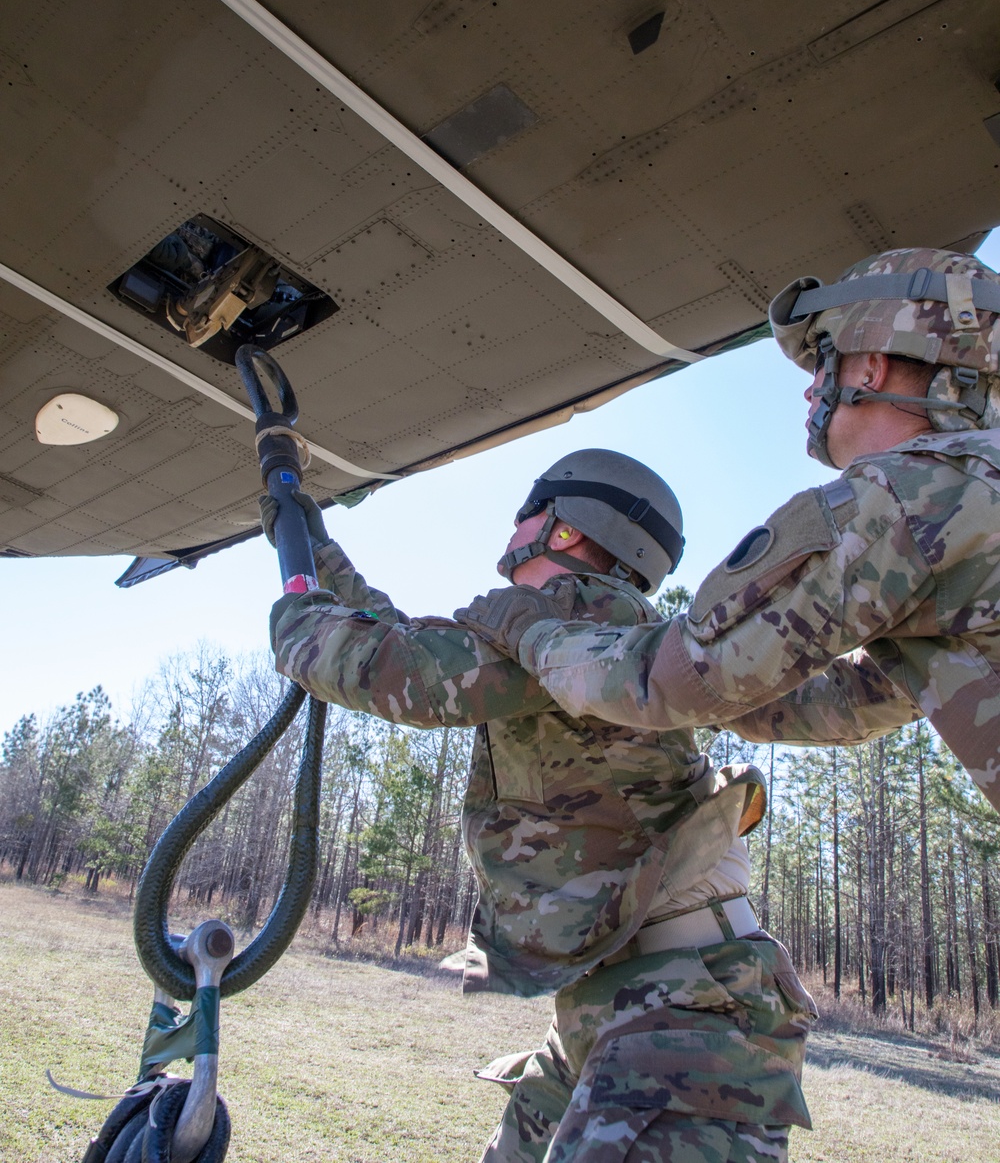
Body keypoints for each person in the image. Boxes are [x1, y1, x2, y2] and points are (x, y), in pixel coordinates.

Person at [264, 450, 816, 1163]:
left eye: (527, 511)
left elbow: (386, 668)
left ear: (564, 531)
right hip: (641, 996)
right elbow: (405, 641)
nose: (512, 525)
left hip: (684, 1016)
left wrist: (300, 600)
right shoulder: (573, 625)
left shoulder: (580, 616)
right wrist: (318, 550)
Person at [458, 247, 1000, 815]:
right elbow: (849, 701)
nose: (812, 389)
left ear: (870, 365)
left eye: (823, 361)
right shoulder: (968, 494)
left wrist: (533, 634)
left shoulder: (911, 494)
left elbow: (689, 676)